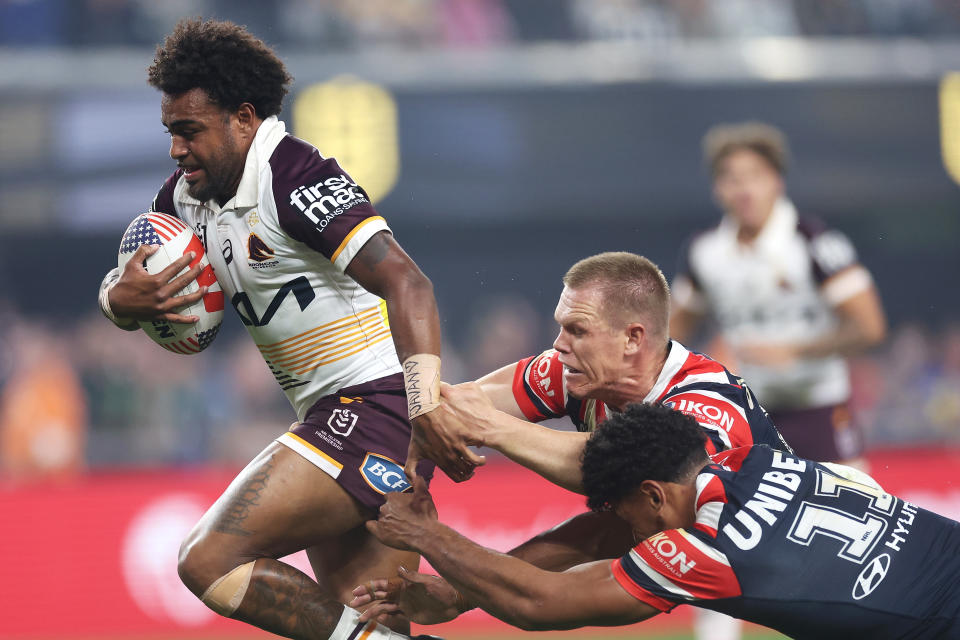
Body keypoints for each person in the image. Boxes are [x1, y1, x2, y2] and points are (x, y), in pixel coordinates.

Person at [96, 18, 477, 640]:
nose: (176, 149)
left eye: (189, 131)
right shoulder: (187, 198)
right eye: (170, 132)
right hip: (331, 415)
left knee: (207, 560)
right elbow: (128, 285)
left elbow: (409, 284)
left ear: (244, 118)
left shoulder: (294, 177)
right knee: (374, 614)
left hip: (375, 407)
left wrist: (425, 407)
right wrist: (120, 300)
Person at [355, 403, 960, 640]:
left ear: (652, 493)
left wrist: (423, 534)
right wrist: (458, 595)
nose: (634, 534)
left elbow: (543, 603)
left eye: (628, 516)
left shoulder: (704, 551)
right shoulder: (755, 455)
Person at [429, 251, 790, 494]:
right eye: (561, 326)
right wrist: (426, 425)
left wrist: (490, 428)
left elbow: (616, 467)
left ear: (632, 339)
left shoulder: (705, 403)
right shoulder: (578, 371)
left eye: (578, 331)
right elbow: (457, 405)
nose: (558, 344)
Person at [669, 121, 887, 468]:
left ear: (777, 182)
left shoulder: (814, 242)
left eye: (755, 176)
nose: (745, 189)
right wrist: (701, 369)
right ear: (717, 188)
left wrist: (795, 351)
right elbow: (671, 331)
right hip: (744, 412)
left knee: (852, 512)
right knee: (736, 516)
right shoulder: (704, 251)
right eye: (732, 179)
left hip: (818, 406)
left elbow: (869, 327)